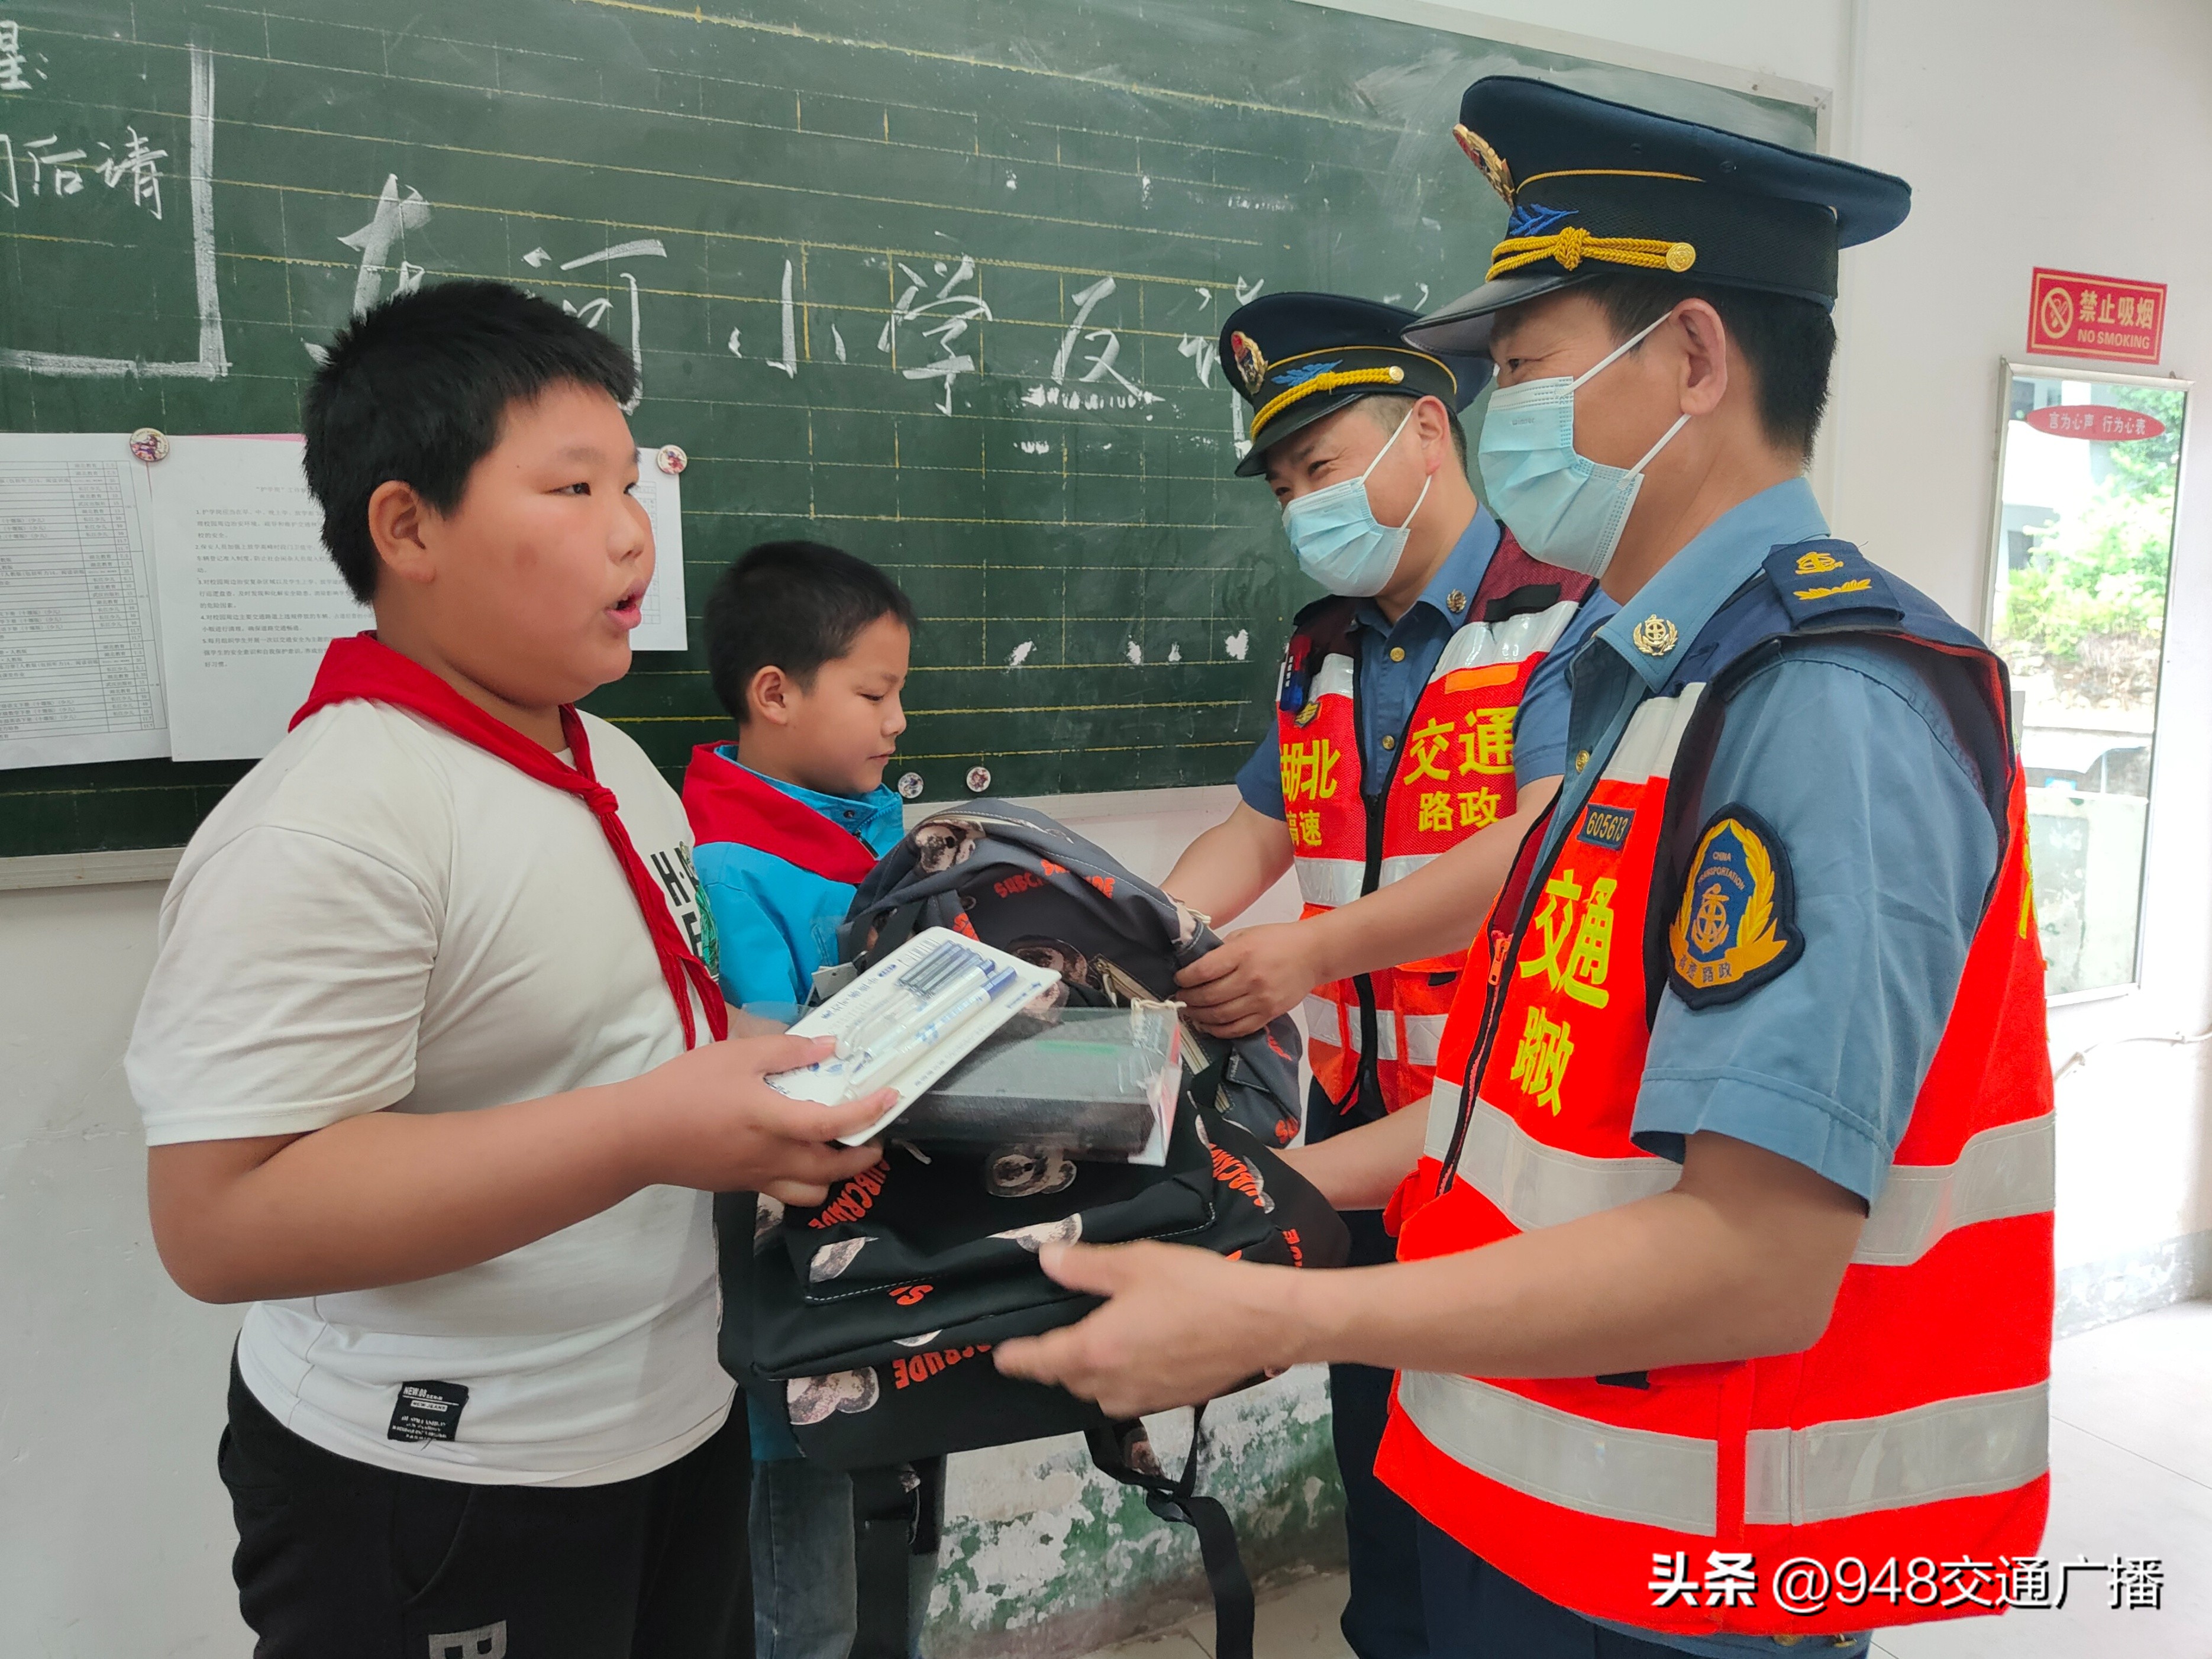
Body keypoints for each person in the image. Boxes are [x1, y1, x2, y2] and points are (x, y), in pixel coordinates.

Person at [1000, 77, 2053, 1659]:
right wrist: (1247, 1204)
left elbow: (1753, 1258)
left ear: (1691, 359)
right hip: (1530, 1500)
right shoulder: (1647, 684)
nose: (1499, 416)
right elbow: (1523, 1112)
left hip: (1692, 1565)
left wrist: (1285, 1309)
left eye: (1528, 368)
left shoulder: (1822, 705)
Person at [127, 280, 888, 1659]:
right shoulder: (334, 818)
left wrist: (777, 1077)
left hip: (672, 1421)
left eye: (631, 482)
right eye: (572, 485)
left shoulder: (615, 761)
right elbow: (219, 1220)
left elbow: (621, 1031)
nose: (628, 530)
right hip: (443, 1481)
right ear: (407, 525)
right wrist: (656, 1130)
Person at [1160, 292, 1612, 1659]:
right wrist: (1132, 932)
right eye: (1283, 483)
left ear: (1427, 429)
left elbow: (1540, 837)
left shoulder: (1562, 616)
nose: (1303, 504)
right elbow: (1256, 829)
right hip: (1358, 1134)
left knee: (1497, 1475)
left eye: (1321, 465)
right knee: (1383, 1466)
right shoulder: (1322, 646)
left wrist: (1312, 949)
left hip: (1507, 1125)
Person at [684, 540, 942, 1659]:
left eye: (902, 696)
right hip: (806, 1276)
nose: (897, 724)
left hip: (910, 1252)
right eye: (876, 694)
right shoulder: (733, 866)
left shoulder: (879, 832)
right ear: (774, 695)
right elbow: (779, 1062)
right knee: (810, 1595)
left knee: (903, 1548)